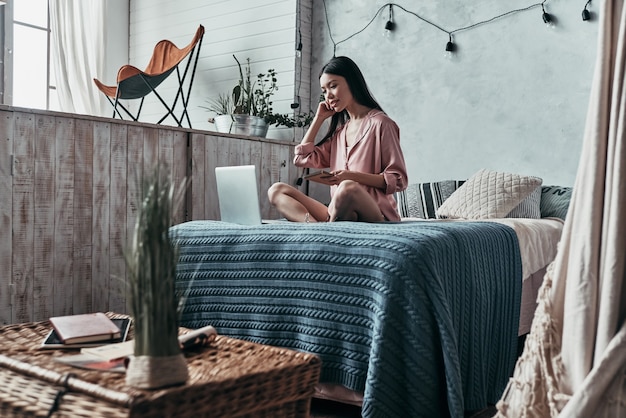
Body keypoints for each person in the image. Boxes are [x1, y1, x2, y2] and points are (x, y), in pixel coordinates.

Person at [267, 56, 408, 223]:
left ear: (352, 82)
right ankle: (314, 229)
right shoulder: (340, 133)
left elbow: (399, 180)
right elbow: (301, 159)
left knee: (347, 188)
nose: (328, 96)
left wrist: (351, 177)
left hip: (377, 214)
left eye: (333, 86)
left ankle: (329, 227)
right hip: (337, 211)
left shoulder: (381, 124)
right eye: (324, 91)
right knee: (276, 190)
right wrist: (318, 119)